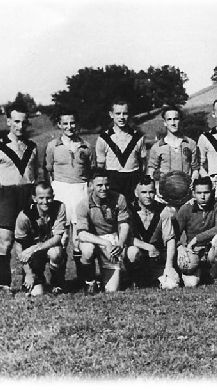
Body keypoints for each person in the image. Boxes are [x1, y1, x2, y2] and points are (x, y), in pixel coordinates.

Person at [0, 102, 39, 292]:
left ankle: (29, 282)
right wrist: (2, 198)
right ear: (8, 121)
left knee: (28, 240)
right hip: (7, 195)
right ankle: (5, 284)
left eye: (23, 122)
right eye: (16, 121)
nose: (20, 126)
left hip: (28, 196)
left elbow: (37, 175)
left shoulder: (32, 147)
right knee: (6, 241)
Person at [44, 109, 93, 285]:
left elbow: (90, 170)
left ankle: (83, 278)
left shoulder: (86, 145)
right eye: (65, 123)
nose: (69, 127)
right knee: (62, 236)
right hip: (61, 190)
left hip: (80, 190)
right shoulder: (53, 146)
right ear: (59, 125)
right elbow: (49, 170)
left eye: (72, 123)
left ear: (77, 123)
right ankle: (58, 282)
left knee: (79, 236)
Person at [75, 168, 131, 294]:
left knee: (112, 289)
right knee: (88, 250)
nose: (104, 188)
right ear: (91, 186)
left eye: (106, 184)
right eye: (99, 185)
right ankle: (90, 281)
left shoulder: (119, 198)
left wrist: (120, 243)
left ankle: (118, 274)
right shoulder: (83, 204)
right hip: (92, 239)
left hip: (112, 238)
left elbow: (124, 224)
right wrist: (105, 243)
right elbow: (82, 234)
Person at [171, 176, 217, 287]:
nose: (202, 197)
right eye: (199, 193)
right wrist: (180, 247)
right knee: (191, 284)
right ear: (193, 193)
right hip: (193, 251)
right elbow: (173, 232)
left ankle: (214, 275)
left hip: (211, 251)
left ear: (212, 192)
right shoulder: (186, 209)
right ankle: (198, 273)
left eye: (206, 192)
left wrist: (197, 239)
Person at [14, 182, 67, 295]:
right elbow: (19, 247)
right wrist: (28, 272)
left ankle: (56, 282)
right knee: (37, 293)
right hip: (31, 256)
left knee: (56, 253)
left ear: (53, 196)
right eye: (41, 198)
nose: (45, 202)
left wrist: (36, 247)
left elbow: (57, 237)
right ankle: (38, 278)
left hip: (48, 247)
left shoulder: (59, 207)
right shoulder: (24, 216)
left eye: (48, 198)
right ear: (34, 198)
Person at [126, 176, 176, 289]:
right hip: (136, 255)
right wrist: (147, 246)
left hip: (156, 258)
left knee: (172, 285)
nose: (148, 196)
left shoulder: (163, 210)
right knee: (132, 252)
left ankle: (154, 278)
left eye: (151, 192)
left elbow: (170, 239)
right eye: (143, 192)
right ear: (136, 193)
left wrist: (169, 266)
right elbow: (126, 237)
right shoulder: (129, 210)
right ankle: (133, 280)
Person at [96, 99, 146, 204]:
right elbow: (100, 167)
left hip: (133, 179)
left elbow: (143, 164)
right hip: (113, 180)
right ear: (111, 114)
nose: (122, 117)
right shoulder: (103, 138)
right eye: (118, 113)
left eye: (125, 113)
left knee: (134, 212)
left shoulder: (138, 137)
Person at [147, 105, 199, 184]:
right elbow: (151, 170)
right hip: (164, 192)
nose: (173, 123)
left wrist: (194, 181)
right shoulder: (157, 147)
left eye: (175, 119)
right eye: (169, 119)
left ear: (180, 120)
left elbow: (195, 169)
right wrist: (155, 186)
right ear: (165, 122)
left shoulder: (191, 144)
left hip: (186, 192)